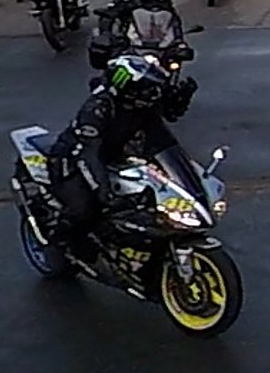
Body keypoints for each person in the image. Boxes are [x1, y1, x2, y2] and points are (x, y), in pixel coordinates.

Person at [40, 53, 199, 254]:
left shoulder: (140, 105)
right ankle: (61, 243)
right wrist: (103, 192)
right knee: (85, 209)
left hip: (112, 155)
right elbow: (88, 155)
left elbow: (163, 137)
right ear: (128, 89)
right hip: (72, 159)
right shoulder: (97, 110)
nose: (151, 94)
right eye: (145, 90)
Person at [91, 0, 183, 68]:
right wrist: (106, 35)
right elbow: (110, 16)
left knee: (176, 62)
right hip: (131, 43)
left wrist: (179, 40)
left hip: (160, 44)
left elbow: (173, 18)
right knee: (113, 69)